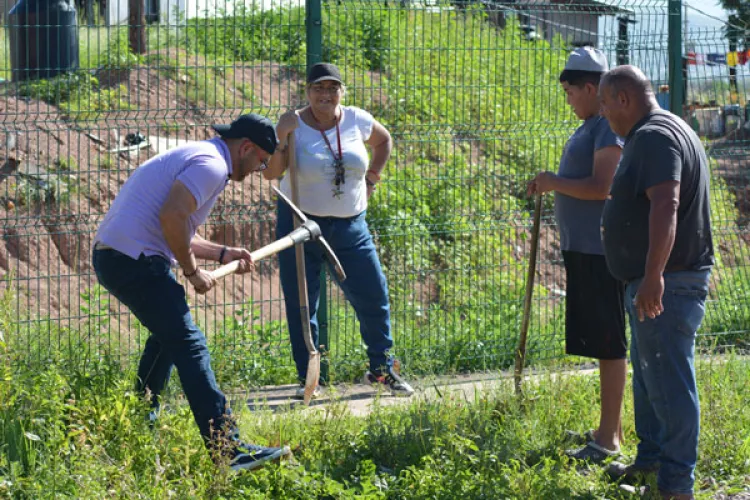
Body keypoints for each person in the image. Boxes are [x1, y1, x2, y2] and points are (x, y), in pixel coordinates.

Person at [92, 113, 292, 471]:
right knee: (189, 342)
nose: (260, 169)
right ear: (246, 147)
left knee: (168, 338)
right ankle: (227, 450)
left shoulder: (204, 158)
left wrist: (221, 253)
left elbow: (178, 224)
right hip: (133, 259)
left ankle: (141, 422)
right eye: (261, 160)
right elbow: (172, 217)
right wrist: (191, 271)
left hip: (118, 255)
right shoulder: (212, 166)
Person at [263, 62, 414, 398]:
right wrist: (280, 136)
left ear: (342, 92)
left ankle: (381, 370)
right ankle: (310, 380)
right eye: (319, 88)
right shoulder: (293, 124)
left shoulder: (357, 119)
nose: (326, 94)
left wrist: (373, 178)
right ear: (307, 91)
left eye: (333, 88)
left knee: (373, 295)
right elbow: (272, 174)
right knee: (303, 304)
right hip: (300, 224)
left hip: (350, 226)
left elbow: (384, 140)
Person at [599, 65, 714, 500]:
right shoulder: (667, 128)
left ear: (624, 99)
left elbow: (666, 203)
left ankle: (675, 487)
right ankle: (650, 462)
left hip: (669, 280)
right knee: (651, 378)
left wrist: (652, 276)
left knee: (670, 384)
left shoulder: (653, 136)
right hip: (665, 277)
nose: (605, 114)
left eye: (607, 104)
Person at [527, 46, 626, 463]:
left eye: (570, 90)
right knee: (603, 342)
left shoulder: (605, 126)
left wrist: (553, 181)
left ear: (591, 87)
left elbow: (603, 187)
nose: (567, 97)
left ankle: (607, 441)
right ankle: (610, 429)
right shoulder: (591, 125)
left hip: (599, 251)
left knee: (609, 344)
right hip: (583, 249)